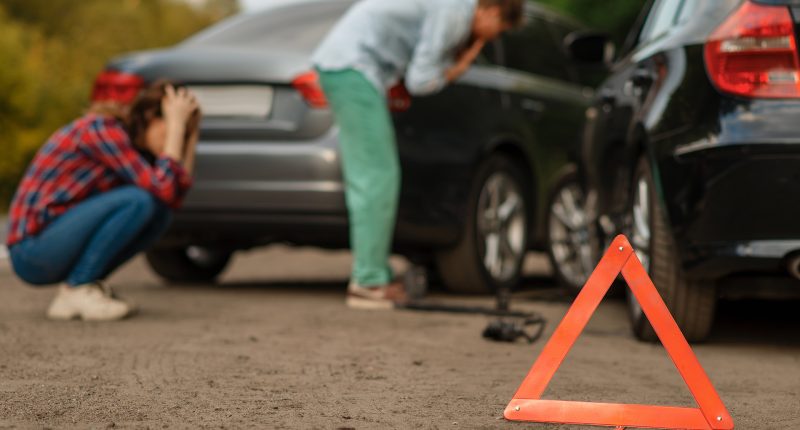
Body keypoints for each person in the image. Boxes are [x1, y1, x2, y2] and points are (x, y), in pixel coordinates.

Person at [312, 0, 524, 309]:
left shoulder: (451, 7)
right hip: (353, 68)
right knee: (376, 176)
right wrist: (457, 68)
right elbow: (420, 81)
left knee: (374, 174)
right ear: (491, 11)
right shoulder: (455, 12)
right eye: (500, 29)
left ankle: (375, 274)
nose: (494, 37)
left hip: (348, 66)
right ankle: (368, 282)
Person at [6, 81, 200, 321]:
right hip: (31, 250)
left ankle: (83, 285)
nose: (176, 141)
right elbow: (164, 189)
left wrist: (191, 135)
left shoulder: (139, 150)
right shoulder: (105, 130)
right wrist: (177, 127)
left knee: (160, 213)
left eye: (182, 135)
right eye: (173, 130)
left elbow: (173, 199)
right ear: (150, 116)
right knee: (139, 201)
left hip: (57, 242)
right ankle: (77, 287)